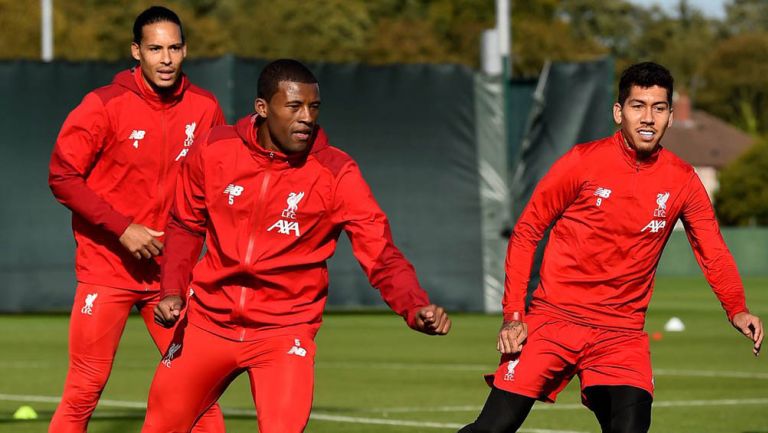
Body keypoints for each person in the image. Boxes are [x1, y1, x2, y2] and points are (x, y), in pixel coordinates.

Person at [140, 58, 452, 433]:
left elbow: (380, 253)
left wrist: (413, 305)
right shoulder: (214, 149)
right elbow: (186, 225)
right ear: (262, 108)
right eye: (293, 106)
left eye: (313, 107)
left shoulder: (337, 173)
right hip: (207, 323)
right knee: (159, 427)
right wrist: (172, 290)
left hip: (284, 333)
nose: (306, 117)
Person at [459, 62, 763, 433]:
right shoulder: (582, 162)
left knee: (631, 426)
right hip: (553, 320)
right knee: (493, 427)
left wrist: (737, 308)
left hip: (621, 334)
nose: (648, 118)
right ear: (619, 112)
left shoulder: (683, 180)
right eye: (638, 106)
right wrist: (514, 315)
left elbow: (712, 249)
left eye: (659, 107)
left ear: (669, 116)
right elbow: (527, 231)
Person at [48, 6, 227, 432]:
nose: (166, 58)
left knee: (196, 392)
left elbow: (218, 185)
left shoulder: (205, 108)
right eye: (155, 49)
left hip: (171, 276)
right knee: (85, 387)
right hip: (106, 268)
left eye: (174, 48)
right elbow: (62, 175)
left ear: (185, 51)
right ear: (136, 52)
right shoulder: (103, 106)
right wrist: (122, 228)